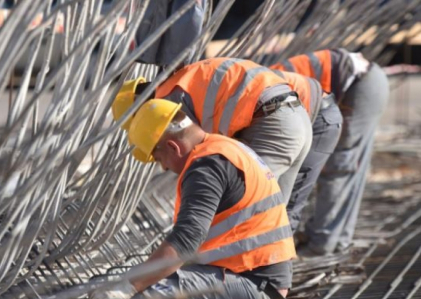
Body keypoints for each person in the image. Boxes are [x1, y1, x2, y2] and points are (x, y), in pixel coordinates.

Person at [91, 99, 296, 299]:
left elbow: (185, 241)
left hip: (254, 289)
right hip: (259, 281)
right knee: (150, 292)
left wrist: (127, 286)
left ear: (173, 147)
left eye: (158, 157)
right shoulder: (224, 147)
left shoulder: (206, 167)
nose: (162, 167)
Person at [113, 57, 312, 203]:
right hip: (294, 116)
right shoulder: (186, 79)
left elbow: (197, 153)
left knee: (242, 204)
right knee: (274, 214)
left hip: (272, 125)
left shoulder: (170, 104)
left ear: (139, 110)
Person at [271, 48, 389, 255]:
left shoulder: (271, 89)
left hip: (361, 84)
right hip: (365, 82)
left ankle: (322, 244)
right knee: (347, 168)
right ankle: (336, 240)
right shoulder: (265, 83)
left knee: (339, 167)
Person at [271, 70, 343, 233]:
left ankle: (280, 256)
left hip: (321, 120)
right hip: (303, 113)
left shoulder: (258, 82)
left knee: (291, 198)